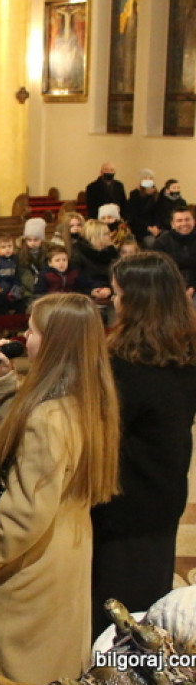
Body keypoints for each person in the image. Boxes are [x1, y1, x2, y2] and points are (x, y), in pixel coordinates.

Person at [0, 293, 120, 685]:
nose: (23, 339)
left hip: (28, 573)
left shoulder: (48, 419)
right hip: (66, 554)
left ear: (54, 342)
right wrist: (4, 387)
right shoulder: (89, 398)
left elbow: (22, 518)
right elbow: (30, 446)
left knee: (7, 682)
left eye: (31, 331)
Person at [90, 252, 196, 638]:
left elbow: (101, 433)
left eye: (118, 294)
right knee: (150, 604)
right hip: (166, 491)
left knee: (115, 617)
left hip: (122, 502)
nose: (114, 301)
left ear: (138, 301)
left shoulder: (123, 364)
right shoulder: (186, 352)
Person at [153, 205, 196, 292]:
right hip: (171, 288)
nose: (184, 223)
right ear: (172, 224)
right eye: (179, 221)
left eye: (187, 219)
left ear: (194, 222)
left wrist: (192, 288)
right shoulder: (161, 243)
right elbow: (161, 271)